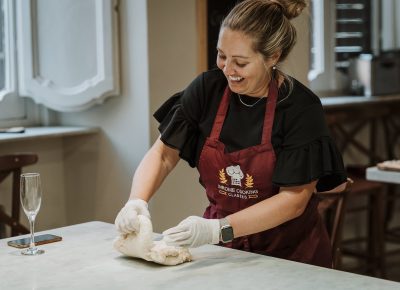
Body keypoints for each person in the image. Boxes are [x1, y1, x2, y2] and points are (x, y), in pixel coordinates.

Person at [115, 0, 347, 268]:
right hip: (224, 254)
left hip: (291, 255)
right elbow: (164, 154)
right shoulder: (207, 90)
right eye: (221, 55)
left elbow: (293, 200)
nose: (227, 69)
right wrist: (136, 201)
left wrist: (217, 229)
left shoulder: (300, 108)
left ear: (273, 56)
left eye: (240, 62)